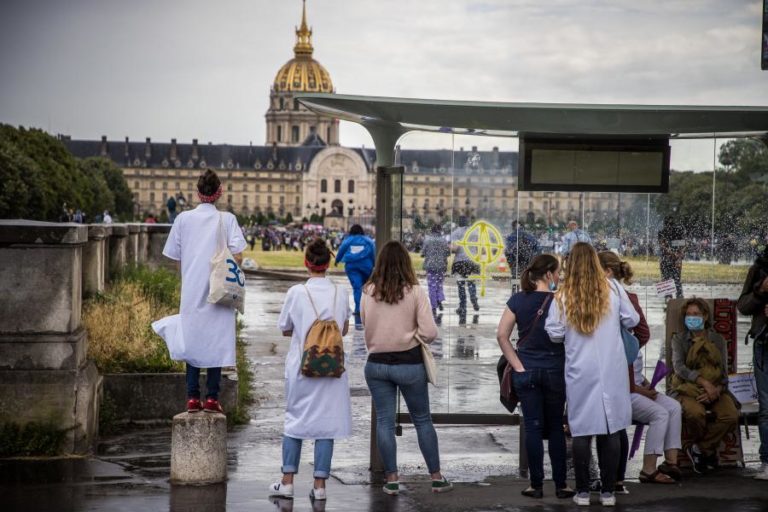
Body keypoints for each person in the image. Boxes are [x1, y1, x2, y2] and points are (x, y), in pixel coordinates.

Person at [545, 242, 639, 507]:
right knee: (610, 429)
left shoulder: (562, 295)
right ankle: (608, 492)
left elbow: (554, 333)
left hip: (580, 370)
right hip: (612, 368)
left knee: (582, 430)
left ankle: (583, 492)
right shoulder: (613, 288)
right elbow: (632, 320)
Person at [361, 241, 453, 495]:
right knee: (422, 420)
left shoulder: (368, 290)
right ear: (405, 263)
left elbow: (364, 322)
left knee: (384, 422)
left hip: (377, 364)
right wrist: (412, 335)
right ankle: (436, 477)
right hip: (409, 362)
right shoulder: (414, 291)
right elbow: (430, 331)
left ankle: (391, 479)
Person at [156, 169, 246, 413]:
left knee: (192, 338)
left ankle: (192, 397)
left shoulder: (183, 219)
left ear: (197, 193)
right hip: (220, 286)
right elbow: (238, 255)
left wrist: (189, 275)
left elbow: (175, 258)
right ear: (219, 193)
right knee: (215, 340)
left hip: (192, 285)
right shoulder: (227, 220)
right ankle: (212, 398)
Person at [270, 238, 353, 502]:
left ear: (306, 262)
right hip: (333, 369)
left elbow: (285, 328)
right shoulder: (342, 292)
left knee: (295, 421)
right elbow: (346, 328)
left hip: (302, 367)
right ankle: (320, 486)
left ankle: (287, 482)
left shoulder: (297, 293)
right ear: (328, 263)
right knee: (326, 426)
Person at [496, 254, 575, 500]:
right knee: (555, 427)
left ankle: (536, 485)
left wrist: (517, 365)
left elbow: (502, 335)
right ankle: (561, 485)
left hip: (526, 371)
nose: (560, 276)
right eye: (558, 272)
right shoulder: (561, 301)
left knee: (532, 427)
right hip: (555, 371)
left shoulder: (518, 300)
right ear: (550, 274)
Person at [597, 251, 654, 493]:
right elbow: (641, 333)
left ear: (607, 272)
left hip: (614, 368)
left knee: (613, 425)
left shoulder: (623, 296)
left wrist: (622, 352)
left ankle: (614, 480)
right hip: (615, 367)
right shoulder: (623, 295)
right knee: (614, 423)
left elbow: (642, 333)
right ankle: (614, 479)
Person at [670, 298, 739, 474]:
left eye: (696, 314)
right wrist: (704, 382)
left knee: (730, 415)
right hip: (687, 387)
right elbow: (679, 369)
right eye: (688, 314)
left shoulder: (718, 340)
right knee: (695, 413)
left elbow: (724, 373)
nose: (691, 318)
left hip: (715, 389)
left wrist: (715, 390)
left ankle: (700, 449)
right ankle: (706, 453)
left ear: (705, 316)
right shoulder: (679, 339)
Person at [737, 246, 768, 480]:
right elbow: (743, 306)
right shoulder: (759, 270)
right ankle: (767, 459)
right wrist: (760, 292)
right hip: (765, 343)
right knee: (766, 407)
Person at [335, 224, 376, 324]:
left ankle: (358, 309)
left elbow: (341, 251)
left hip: (352, 267)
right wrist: (375, 264)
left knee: (357, 288)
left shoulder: (348, 240)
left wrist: (337, 260)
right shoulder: (368, 240)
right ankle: (369, 308)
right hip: (367, 267)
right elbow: (373, 253)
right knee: (368, 288)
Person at [450, 216, 480, 315]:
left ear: (459, 222)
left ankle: (462, 306)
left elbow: (455, 249)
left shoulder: (456, 233)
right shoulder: (475, 232)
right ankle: (473, 297)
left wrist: (450, 248)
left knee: (461, 285)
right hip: (473, 261)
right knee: (471, 282)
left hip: (460, 262)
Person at [421, 224, 450, 315]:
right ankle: (439, 300)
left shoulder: (427, 240)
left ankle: (433, 306)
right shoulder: (443, 240)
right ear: (440, 230)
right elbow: (447, 253)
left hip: (430, 267)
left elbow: (423, 252)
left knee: (432, 286)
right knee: (439, 284)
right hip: (441, 266)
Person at [658, 216, 685, 299]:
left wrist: (675, 254)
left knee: (668, 279)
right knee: (675, 279)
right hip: (673, 259)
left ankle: (670, 298)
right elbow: (683, 244)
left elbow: (662, 245)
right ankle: (677, 297)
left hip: (668, 259)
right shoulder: (678, 231)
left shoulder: (663, 231)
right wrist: (678, 255)